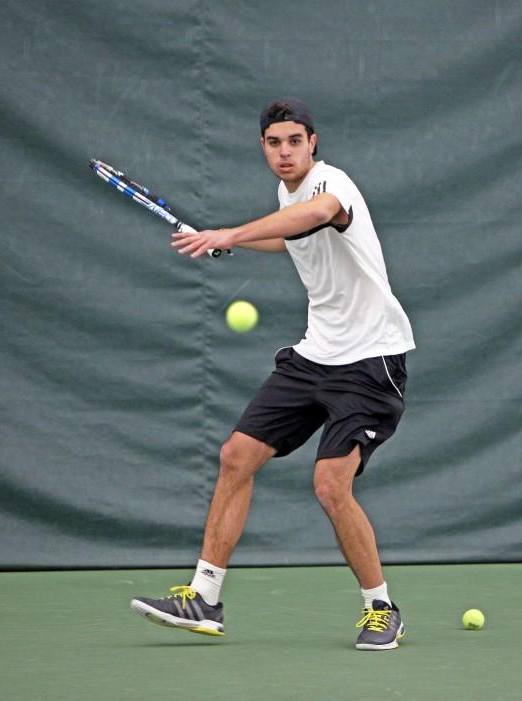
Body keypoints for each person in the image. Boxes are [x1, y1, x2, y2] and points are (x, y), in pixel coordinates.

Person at [130, 98, 416, 651]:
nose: (284, 152)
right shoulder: (284, 194)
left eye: (294, 141)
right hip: (316, 354)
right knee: (237, 455)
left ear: (313, 142)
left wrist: (230, 235)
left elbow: (312, 217)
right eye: (273, 143)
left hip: (371, 359)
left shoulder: (334, 185)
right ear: (263, 147)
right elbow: (290, 236)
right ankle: (204, 597)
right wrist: (224, 236)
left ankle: (381, 608)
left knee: (331, 485)